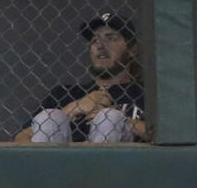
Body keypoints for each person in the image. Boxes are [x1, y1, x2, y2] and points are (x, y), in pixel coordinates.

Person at [13, 12, 148, 144]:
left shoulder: (147, 95)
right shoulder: (65, 93)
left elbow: (163, 136)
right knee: (49, 116)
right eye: (95, 40)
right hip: (62, 164)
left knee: (110, 118)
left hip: (120, 163)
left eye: (111, 38)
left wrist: (122, 121)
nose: (100, 46)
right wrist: (75, 108)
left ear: (132, 50)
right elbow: (20, 138)